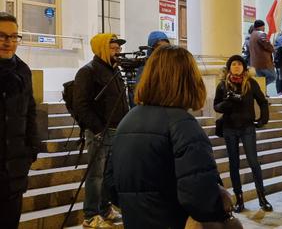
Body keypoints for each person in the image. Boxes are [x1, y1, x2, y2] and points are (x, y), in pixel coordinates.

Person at [105, 46, 233, 228]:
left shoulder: (128, 121)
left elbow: (110, 184)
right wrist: (221, 205)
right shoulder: (183, 125)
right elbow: (199, 196)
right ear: (188, 79)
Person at [73, 33, 129, 227]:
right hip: (99, 132)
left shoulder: (114, 71)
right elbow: (81, 105)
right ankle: (90, 215)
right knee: (95, 175)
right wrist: (97, 129)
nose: (117, 52)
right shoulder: (88, 71)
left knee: (107, 175)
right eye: (113, 48)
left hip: (117, 130)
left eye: (118, 48)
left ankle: (105, 209)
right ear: (101, 49)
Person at [213, 55, 272, 212]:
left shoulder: (250, 83)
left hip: (247, 128)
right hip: (229, 128)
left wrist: (262, 119)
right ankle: (239, 200)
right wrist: (227, 103)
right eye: (234, 64)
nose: (237, 66)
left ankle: (262, 198)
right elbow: (216, 106)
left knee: (254, 162)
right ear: (229, 67)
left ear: (244, 67)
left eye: (239, 64)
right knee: (234, 164)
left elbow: (263, 101)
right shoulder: (222, 85)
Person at [0, 12, 42, 229]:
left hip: (13, 172)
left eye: (13, 36)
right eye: (2, 36)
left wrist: (31, 150)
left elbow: (30, 112)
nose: (8, 42)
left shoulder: (23, 71)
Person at [131, 30, 170, 107]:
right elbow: (139, 94)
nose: (163, 51)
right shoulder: (144, 66)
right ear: (151, 48)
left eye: (166, 47)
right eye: (159, 47)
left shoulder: (172, 65)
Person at [249, 20, 276, 89]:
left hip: (255, 63)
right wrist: (273, 48)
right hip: (264, 63)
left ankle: (262, 92)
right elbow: (266, 44)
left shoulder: (252, 35)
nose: (264, 28)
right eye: (264, 26)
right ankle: (258, 87)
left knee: (261, 78)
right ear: (261, 26)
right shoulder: (261, 34)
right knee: (272, 76)